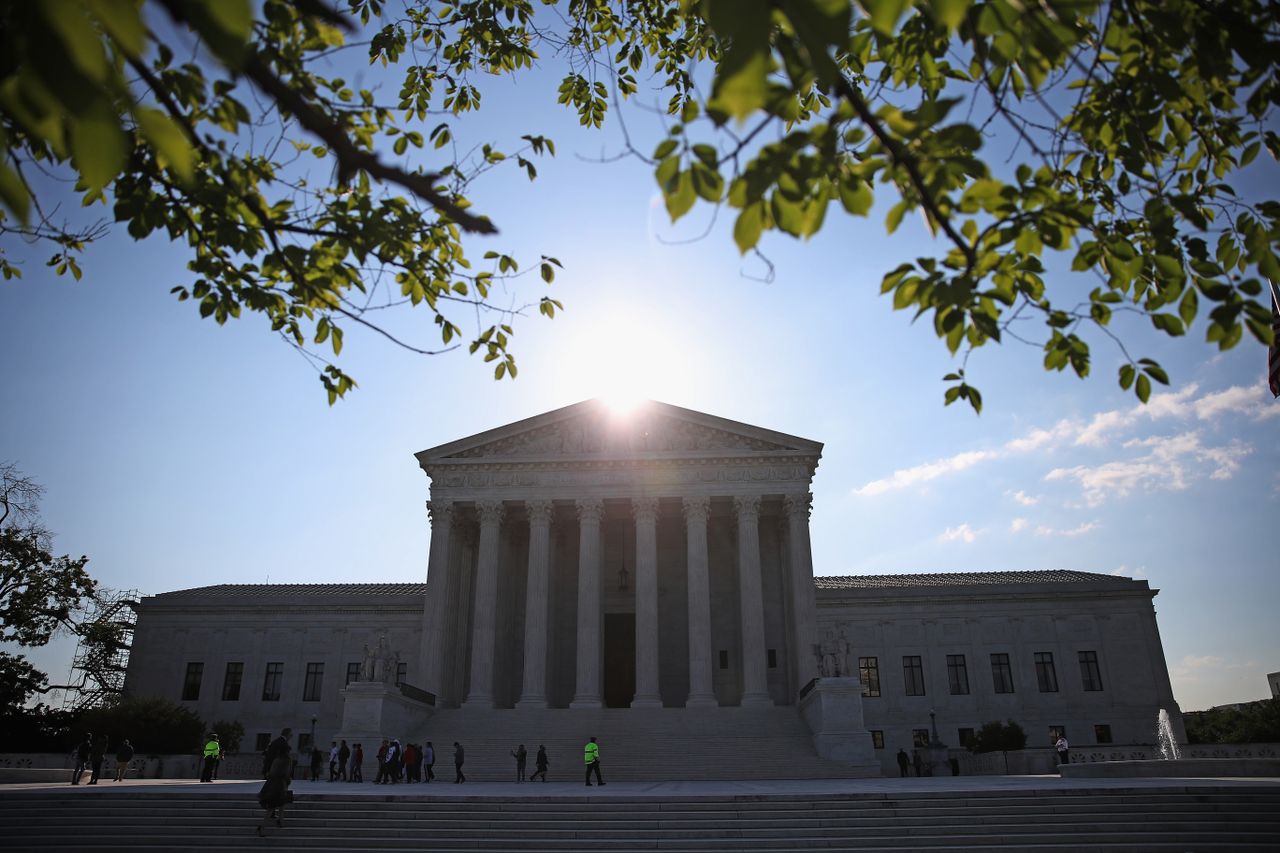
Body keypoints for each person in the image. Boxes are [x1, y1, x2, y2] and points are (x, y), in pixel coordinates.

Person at [257, 731, 294, 837]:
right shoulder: (287, 760)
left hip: (271, 783)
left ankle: (280, 821)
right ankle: (262, 827)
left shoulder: (276, 759)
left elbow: (272, 772)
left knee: (280, 804)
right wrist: (287, 780)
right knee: (274, 806)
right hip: (280, 784)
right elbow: (286, 773)